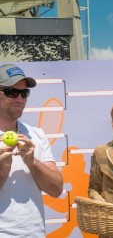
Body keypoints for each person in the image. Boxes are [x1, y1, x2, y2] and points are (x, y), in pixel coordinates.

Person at [0, 64, 63, 237]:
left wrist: (32, 162)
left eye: (24, 93)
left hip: (34, 233)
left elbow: (56, 189)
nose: (20, 99)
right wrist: (3, 167)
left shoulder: (37, 135)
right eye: (12, 92)